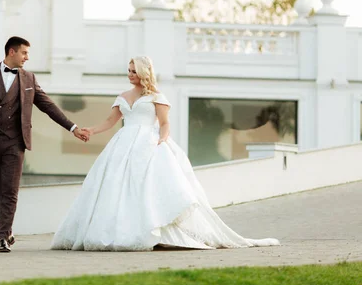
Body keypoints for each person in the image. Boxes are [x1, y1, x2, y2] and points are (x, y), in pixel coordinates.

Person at [51, 55, 280, 251]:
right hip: (122, 144)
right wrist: (90, 130)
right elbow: (111, 121)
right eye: (128, 71)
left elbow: (164, 123)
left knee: (148, 187)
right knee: (116, 187)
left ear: (144, 72)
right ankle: (121, 231)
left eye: (134, 71)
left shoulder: (156, 97)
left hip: (148, 143)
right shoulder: (123, 95)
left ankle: (157, 232)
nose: (130, 74)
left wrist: (162, 138)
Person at [0, 36, 89, 253]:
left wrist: (73, 128)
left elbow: (48, 106)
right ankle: (7, 231)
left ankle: (1, 237)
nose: (27, 57)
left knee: (10, 190)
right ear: (12, 52)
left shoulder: (29, 79)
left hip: (15, 142)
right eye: (24, 53)